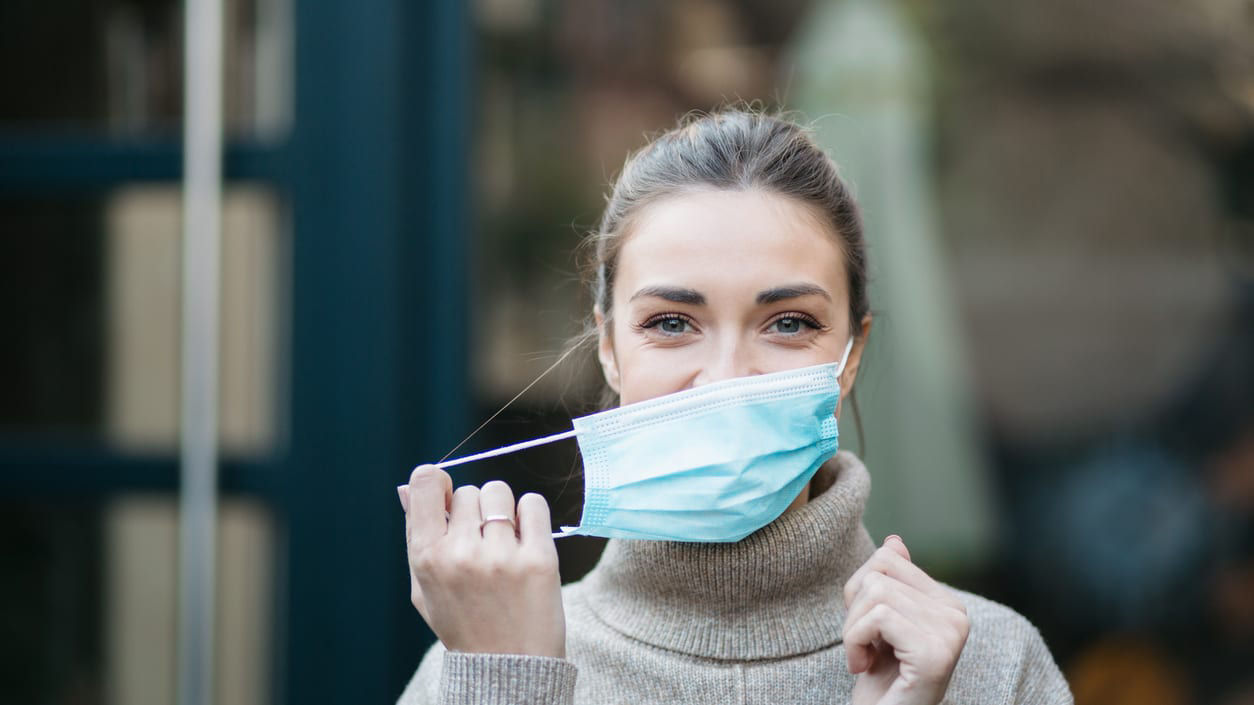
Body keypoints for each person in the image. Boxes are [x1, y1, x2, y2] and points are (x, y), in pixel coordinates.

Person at [395, 109, 1073, 704]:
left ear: (851, 355)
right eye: (670, 322)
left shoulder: (992, 664)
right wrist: (512, 685)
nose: (723, 379)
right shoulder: (474, 666)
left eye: (787, 322)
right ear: (607, 345)